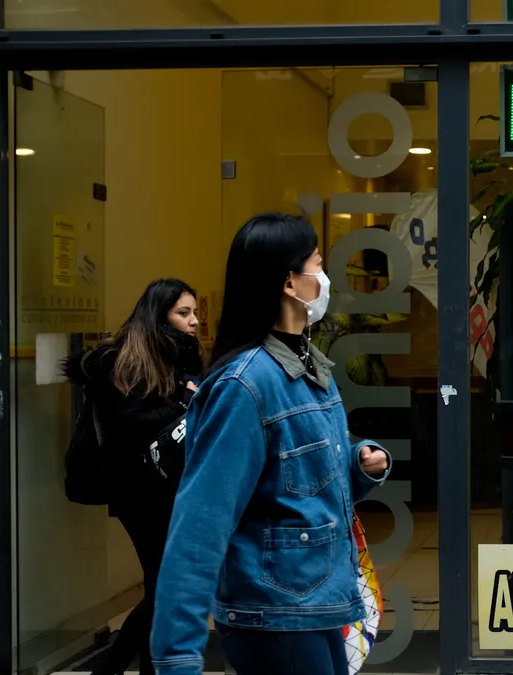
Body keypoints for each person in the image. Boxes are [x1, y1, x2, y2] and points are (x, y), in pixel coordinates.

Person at [150, 213, 392, 675]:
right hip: (272, 617)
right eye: (317, 265)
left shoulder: (313, 369)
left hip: (318, 603)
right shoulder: (245, 386)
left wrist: (359, 470)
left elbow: (295, 487)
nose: (324, 278)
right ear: (288, 282)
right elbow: (199, 529)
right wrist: (178, 657)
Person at [64, 278, 204, 675]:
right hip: (134, 488)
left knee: (165, 582)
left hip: (166, 484)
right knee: (167, 583)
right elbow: (130, 424)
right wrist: (185, 399)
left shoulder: (179, 353)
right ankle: (115, 666)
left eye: (195, 312)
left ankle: (129, 666)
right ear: (159, 316)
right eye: (184, 313)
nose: (194, 321)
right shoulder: (122, 360)